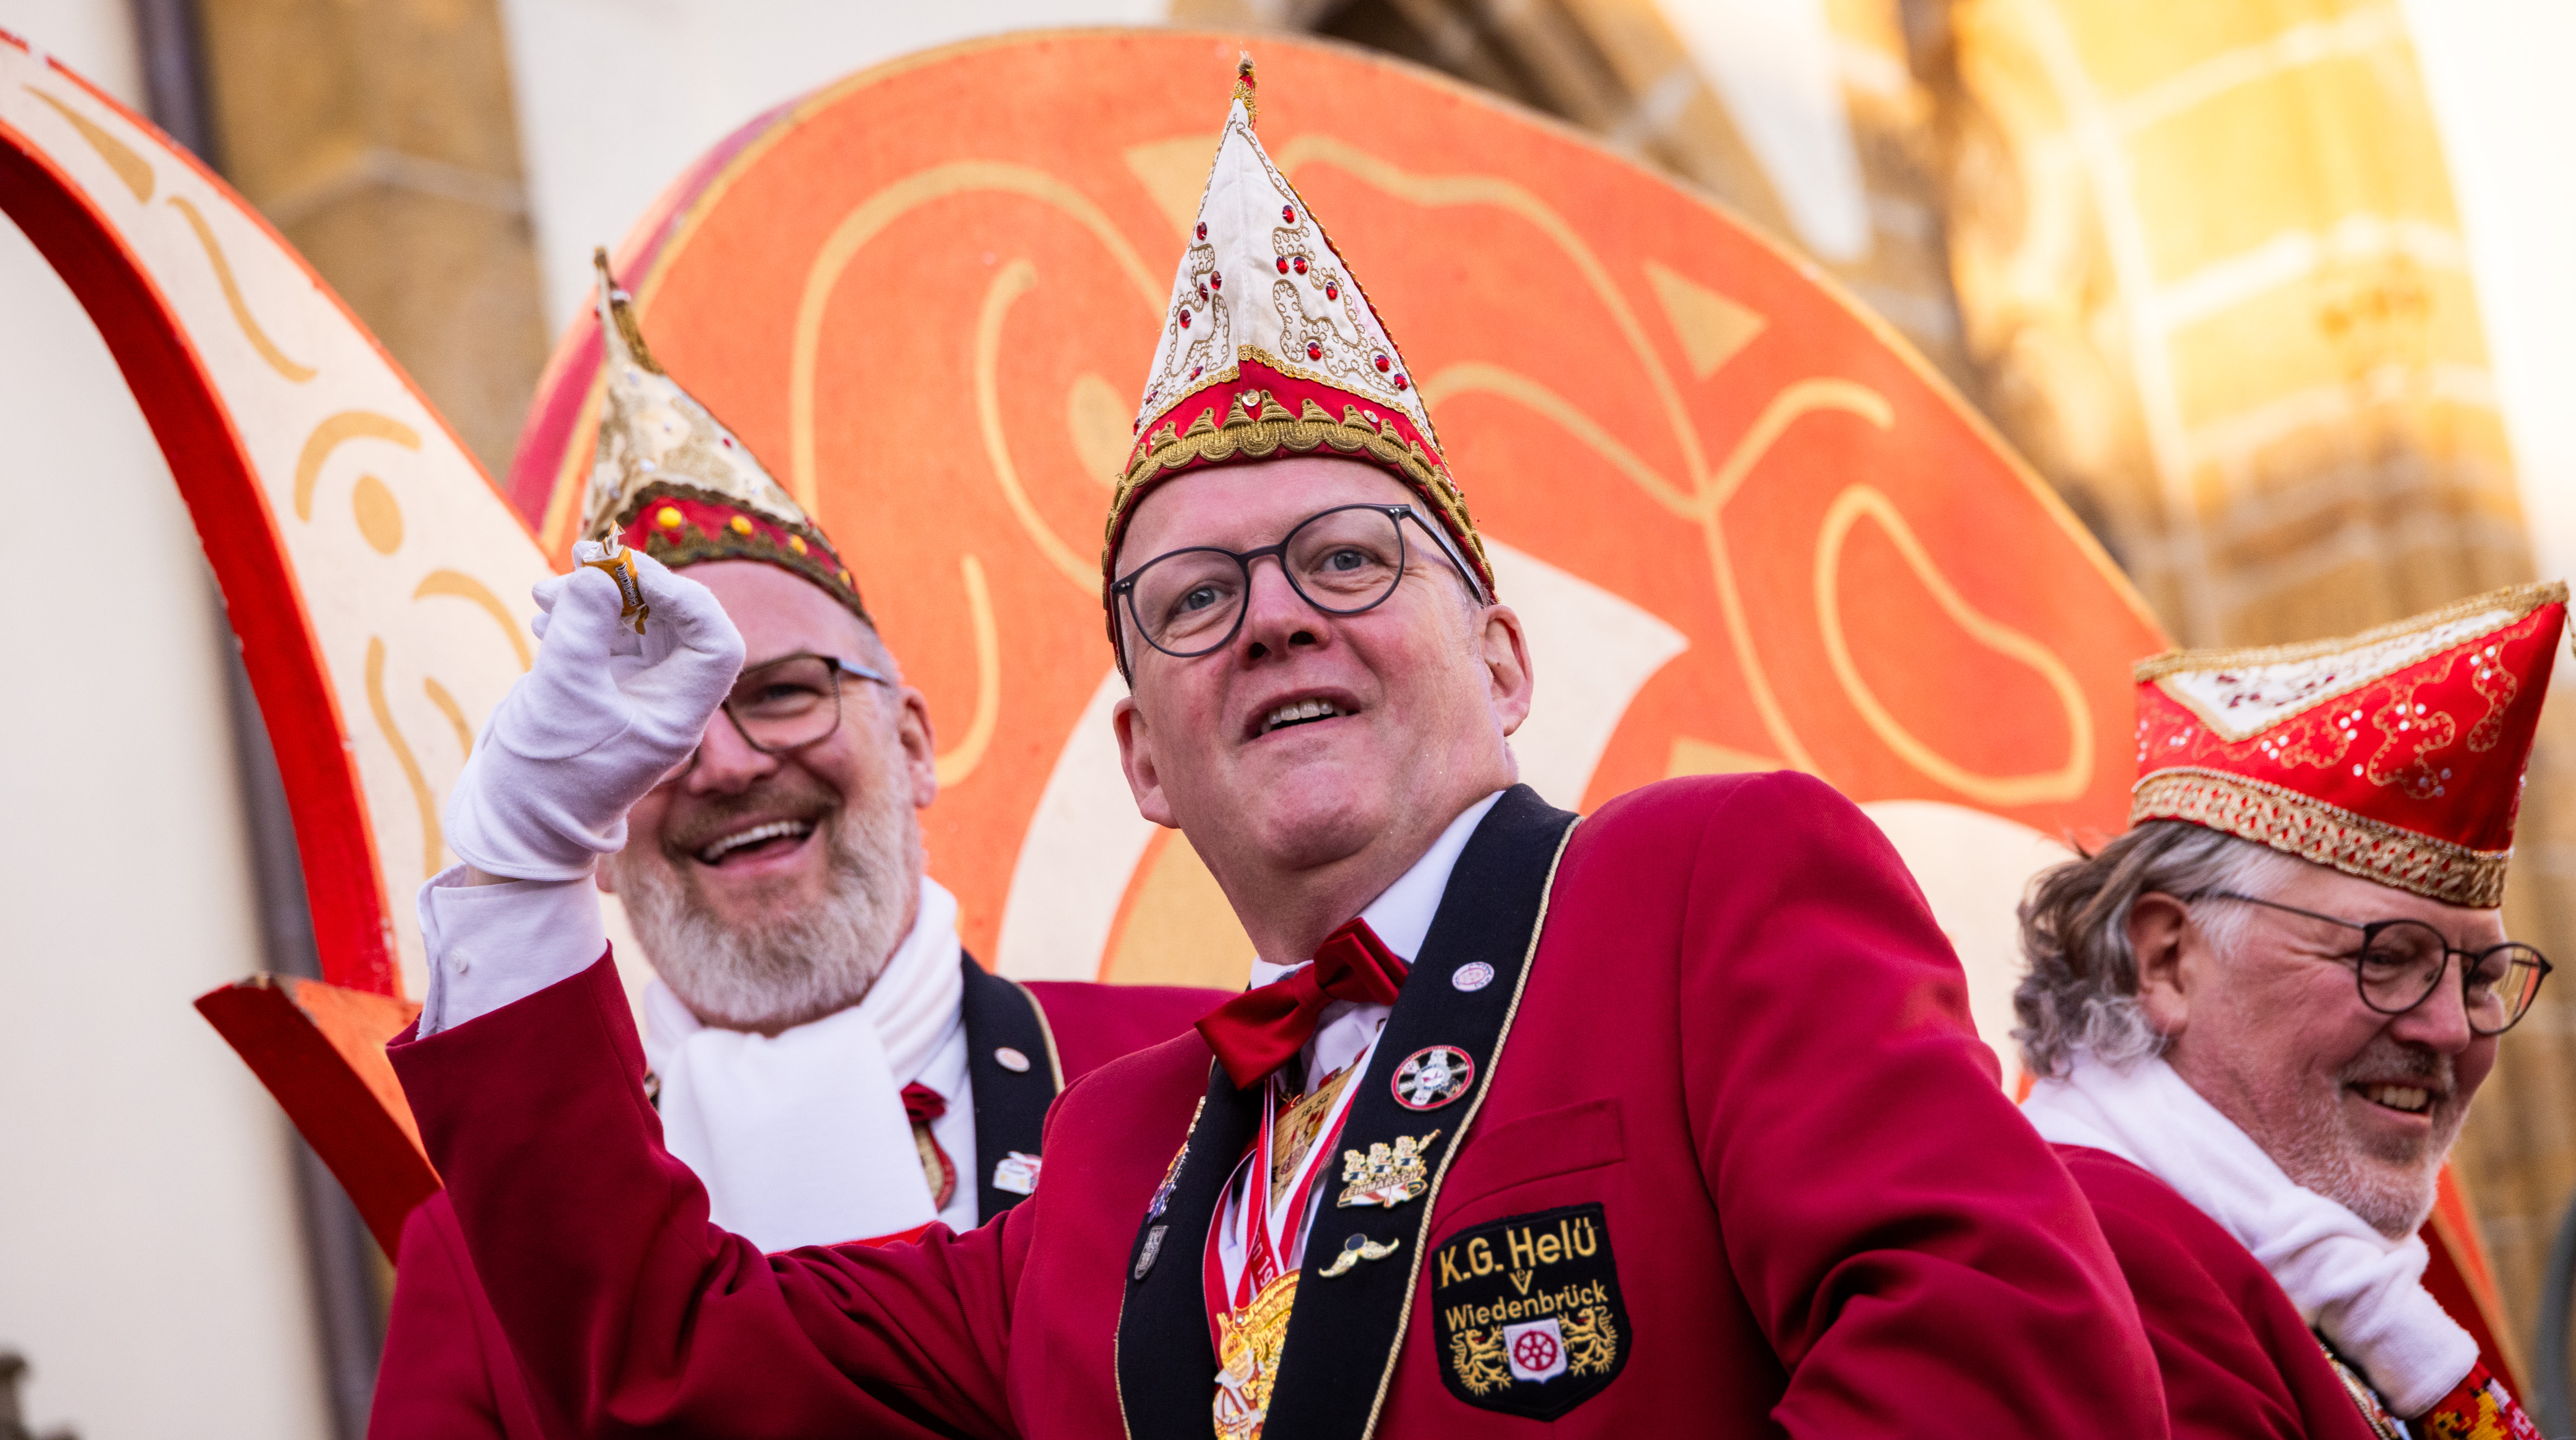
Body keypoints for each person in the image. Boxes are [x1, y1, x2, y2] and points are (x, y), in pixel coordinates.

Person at [386, 59, 2165, 1437]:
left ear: (1501, 656)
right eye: (1192, 598)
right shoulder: (1110, 1148)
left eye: (1347, 557)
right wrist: (521, 866)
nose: (1274, 616)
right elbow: (670, 1361)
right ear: (1142, 765)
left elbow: (2006, 1363)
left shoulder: (1704, 884)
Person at [365, 255, 1224, 1439]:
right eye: (655, 733)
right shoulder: (476, 1255)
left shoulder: (1202, 1077)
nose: (723, 765)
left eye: (784, 692)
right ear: (595, 831)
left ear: (912, 744)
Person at [2013, 584, 2576, 1439]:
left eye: (2480, 977)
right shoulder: (2085, 1277)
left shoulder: (2322, 1278)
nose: (2449, 1029)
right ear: (2164, 961)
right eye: (2383, 957)